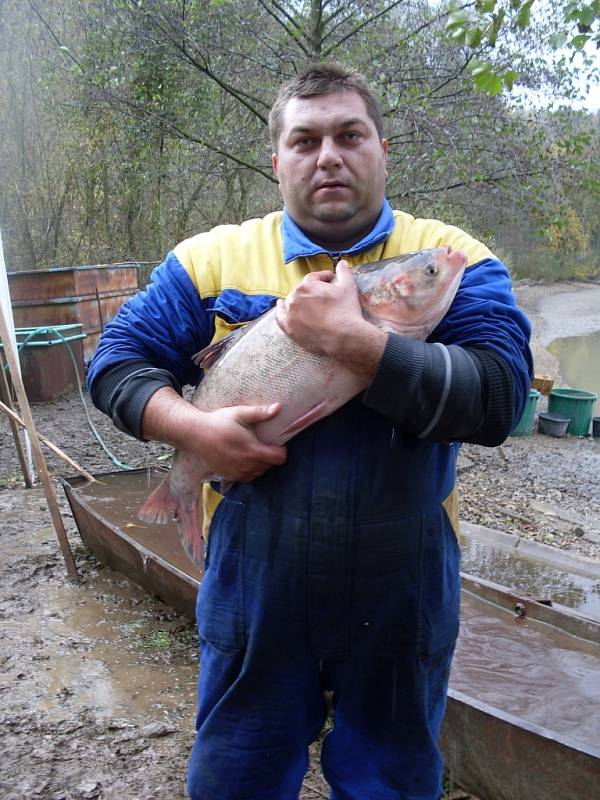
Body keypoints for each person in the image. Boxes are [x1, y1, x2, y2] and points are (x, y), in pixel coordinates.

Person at [87, 63, 532, 800]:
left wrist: (358, 343)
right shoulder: (211, 259)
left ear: (383, 148)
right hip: (254, 578)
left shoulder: (454, 258)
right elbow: (114, 362)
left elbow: (498, 399)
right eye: (306, 140)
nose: (329, 155)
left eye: (350, 135)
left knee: (390, 783)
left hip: (405, 581)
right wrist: (192, 429)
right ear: (278, 160)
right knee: (237, 778)